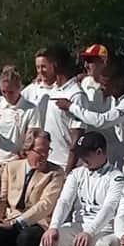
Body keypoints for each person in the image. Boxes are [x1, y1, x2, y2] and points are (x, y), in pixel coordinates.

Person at [54, 57, 124, 176]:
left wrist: (71, 107)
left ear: (117, 82)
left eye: (105, 84)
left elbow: (101, 121)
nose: (101, 87)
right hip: (116, 162)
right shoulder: (114, 98)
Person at [44, 44, 89, 173]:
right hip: (50, 164)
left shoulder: (76, 95)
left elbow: (77, 139)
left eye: (46, 65)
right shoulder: (54, 90)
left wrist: (68, 172)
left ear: (55, 65)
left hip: (65, 167)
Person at [0, 66, 40, 165]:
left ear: (20, 88)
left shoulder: (31, 109)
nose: (6, 95)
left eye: (11, 92)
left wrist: (17, 161)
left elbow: (30, 140)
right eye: (3, 91)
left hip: (19, 162)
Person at [21, 48, 57, 129]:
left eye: (44, 67)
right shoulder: (30, 90)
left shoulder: (62, 89)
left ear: (53, 65)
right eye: (38, 67)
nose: (40, 71)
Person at [79, 44, 109, 110]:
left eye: (90, 61)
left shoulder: (117, 88)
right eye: (85, 61)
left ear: (103, 62)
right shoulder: (85, 81)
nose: (85, 66)